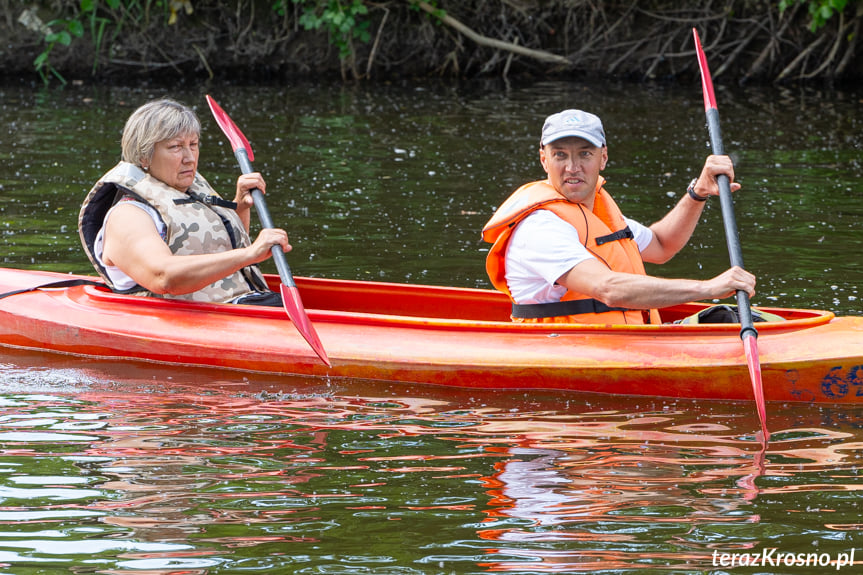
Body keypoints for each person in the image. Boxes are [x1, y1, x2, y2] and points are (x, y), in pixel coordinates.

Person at [482, 109, 756, 324]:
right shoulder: (540, 228)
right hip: (566, 346)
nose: (572, 167)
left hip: (618, 339)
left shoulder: (599, 214)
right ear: (544, 160)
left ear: (603, 158)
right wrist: (707, 288)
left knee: (732, 318)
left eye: (585, 154)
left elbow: (661, 245)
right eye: (560, 155)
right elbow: (608, 288)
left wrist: (698, 193)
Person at [79, 98, 290, 305]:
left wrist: (240, 206)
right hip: (183, 322)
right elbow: (163, 276)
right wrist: (250, 254)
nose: (190, 157)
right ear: (144, 156)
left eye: (193, 144)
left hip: (239, 305)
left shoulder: (188, 193)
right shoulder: (127, 215)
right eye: (176, 147)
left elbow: (220, 251)